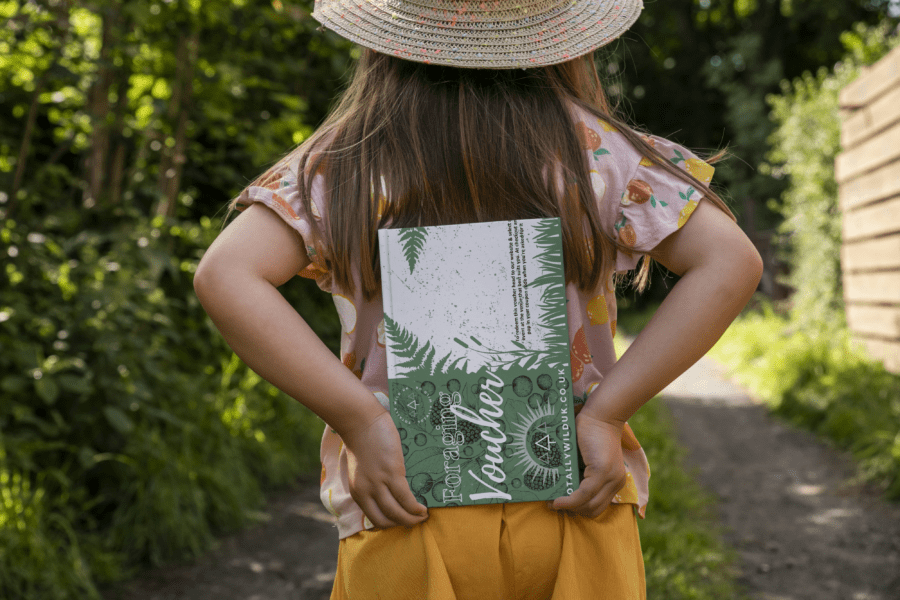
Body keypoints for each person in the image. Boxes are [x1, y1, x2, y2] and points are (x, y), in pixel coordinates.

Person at [192, 0, 764, 596]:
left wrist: (360, 420)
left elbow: (226, 274)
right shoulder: (594, 149)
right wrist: (606, 413)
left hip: (404, 495)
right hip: (570, 485)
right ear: (554, 32)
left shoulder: (349, 160)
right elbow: (731, 262)